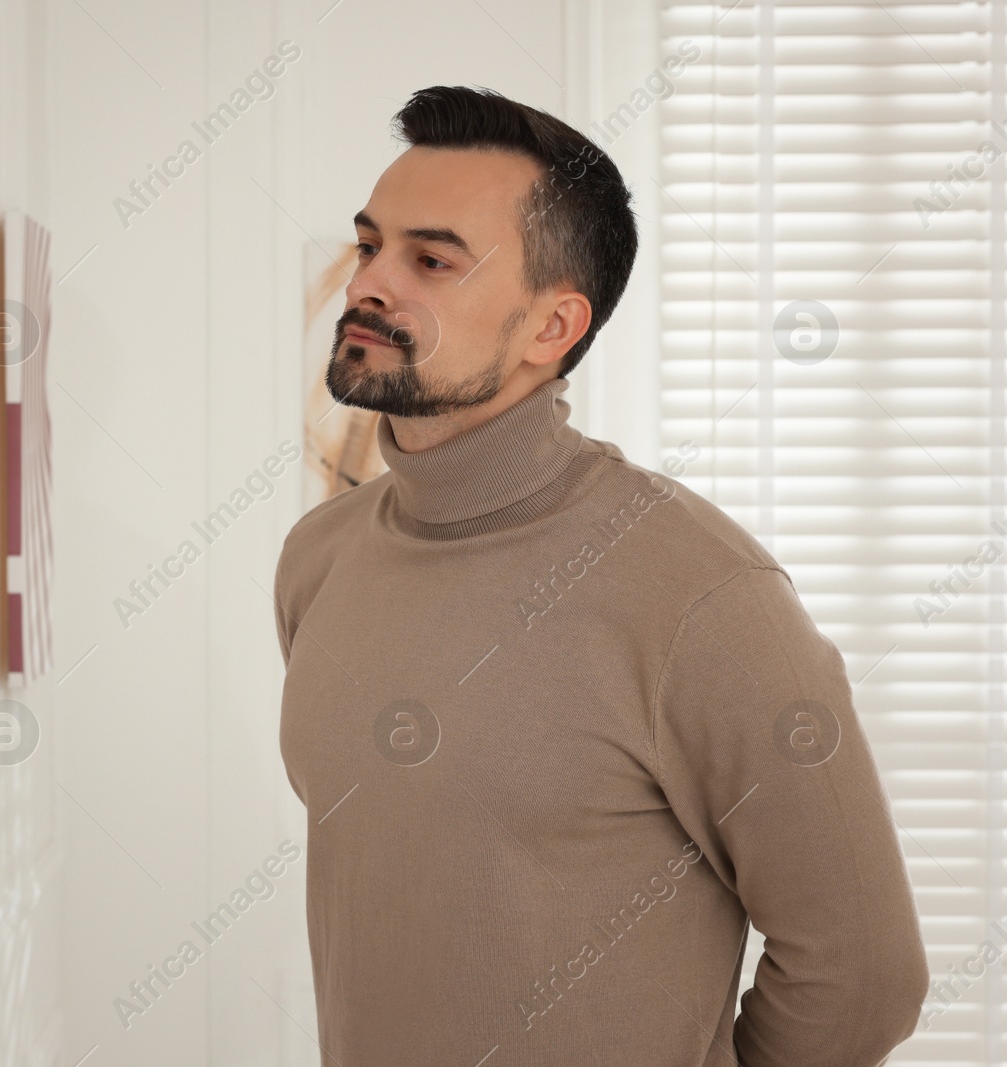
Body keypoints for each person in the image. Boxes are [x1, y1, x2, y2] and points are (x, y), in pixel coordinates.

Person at [273, 84, 927, 1066]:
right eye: (371, 245)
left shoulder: (701, 595)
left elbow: (865, 974)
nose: (370, 283)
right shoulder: (319, 558)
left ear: (550, 328)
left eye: (433, 259)